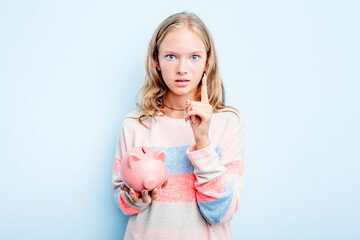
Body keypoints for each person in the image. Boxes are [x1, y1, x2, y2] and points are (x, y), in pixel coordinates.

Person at [112, 11, 245, 240]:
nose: (182, 68)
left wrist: (203, 143)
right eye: (171, 56)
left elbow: (221, 213)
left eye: (194, 57)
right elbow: (123, 202)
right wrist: (135, 197)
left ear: (207, 61)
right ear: (156, 61)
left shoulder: (227, 123)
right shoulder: (134, 125)